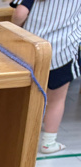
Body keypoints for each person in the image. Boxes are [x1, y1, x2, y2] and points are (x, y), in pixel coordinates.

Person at [12, 0, 81, 154]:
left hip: (32, 49)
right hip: (64, 49)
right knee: (56, 100)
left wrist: (13, 31)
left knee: (29, 95)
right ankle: (48, 142)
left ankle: (19, 135)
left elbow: (20, 13)